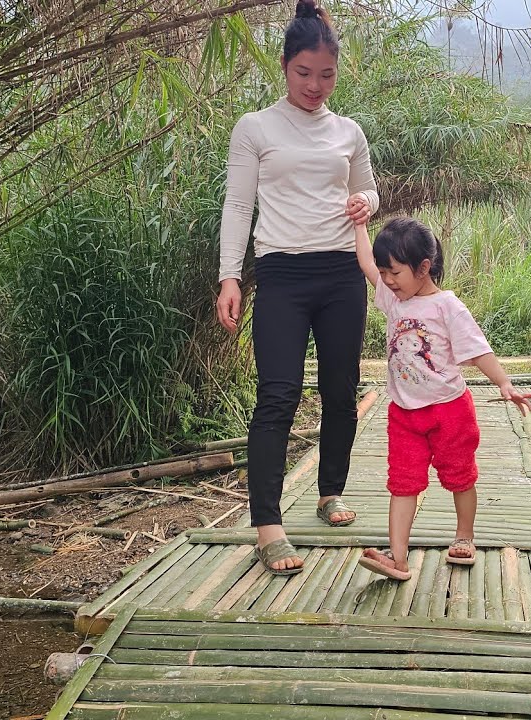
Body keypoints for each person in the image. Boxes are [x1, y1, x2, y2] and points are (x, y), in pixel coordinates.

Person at [216, 0, 378, 576]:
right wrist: (229, 275)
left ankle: (330, 490)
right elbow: (238, 205)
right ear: (284, 66)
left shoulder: (349, 131)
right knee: (278, 395)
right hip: (281, 273)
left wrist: (366, 202)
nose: (315, 86)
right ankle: (268, 524)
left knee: (341, 390)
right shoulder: (255, 127)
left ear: (339, 71)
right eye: (303, 73)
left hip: (340, 274)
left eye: (326, 75)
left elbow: (369, 191)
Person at [350, 216, 531, 581]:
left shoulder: (448, 306)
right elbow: (366, 263)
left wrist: (504, 383)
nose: (387, 279)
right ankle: (398, 558)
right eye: (385, 272)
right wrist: (359, 224)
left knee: (459, 476)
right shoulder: (392, 298)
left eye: (396, 272)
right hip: (403, 413)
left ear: (424, 267)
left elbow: (478, 349)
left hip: (449, 411)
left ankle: (464, 536)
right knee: (402, 483)